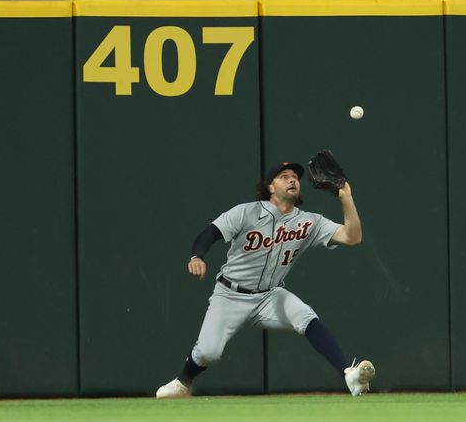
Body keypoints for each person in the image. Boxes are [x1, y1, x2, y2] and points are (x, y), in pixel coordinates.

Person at [155, 161, 375, 398]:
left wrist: (346, 197)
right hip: (230, 294)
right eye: (284, 176)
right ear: (270, 187)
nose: (292, 180)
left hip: (270, 295)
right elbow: (209, 234)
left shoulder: (309, 221)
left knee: (305, 315)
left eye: (295, 177)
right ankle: (182, 382)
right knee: (208, 352)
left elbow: (353, 237)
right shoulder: (246, 212)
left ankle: (348, 375)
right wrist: (197, 256)